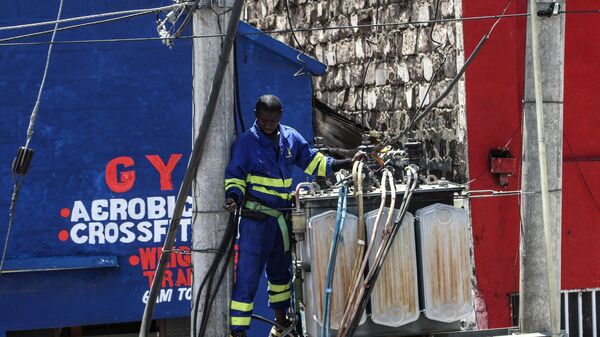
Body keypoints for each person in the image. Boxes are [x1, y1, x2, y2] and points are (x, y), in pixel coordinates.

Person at [223, 94, 363, 337]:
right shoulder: (246, 143)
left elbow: (313, 162)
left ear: (280, 117)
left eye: (273, 120)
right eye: (264, 120)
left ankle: (282, 323)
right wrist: (233, 197)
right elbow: (235, 176)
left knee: (281, 275)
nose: (268, 124)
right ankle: (238, 332)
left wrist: (347, 163)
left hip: (281, 220)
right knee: (247, 277)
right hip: (255, 223)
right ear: (256, 115)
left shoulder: (290, 138)